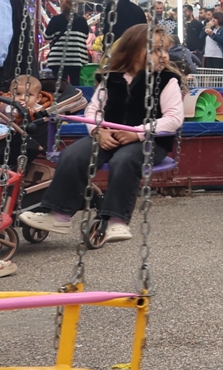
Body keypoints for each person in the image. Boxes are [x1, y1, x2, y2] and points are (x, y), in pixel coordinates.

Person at [21, 24, 182, 244]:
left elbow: (173, 119)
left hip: (148, 141)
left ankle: (117, 219)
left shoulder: (167, 81)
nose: (163, 56)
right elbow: (93, 110)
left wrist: (138, 133)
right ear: (133, 51)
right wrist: (97, 131)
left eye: (165, 50)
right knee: (73, 155)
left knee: (124, 161)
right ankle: (58, 214)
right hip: (109, 136)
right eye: (155, 50)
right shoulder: (112, 79)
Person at [44, 0, 93, 88]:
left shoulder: (55, 20)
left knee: (60, 86)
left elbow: (47, 36)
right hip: (77, 58)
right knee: (76, 85)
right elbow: (85, 37)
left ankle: (61, 102)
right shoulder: (81, 21)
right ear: (76, 6)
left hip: (57, 59)